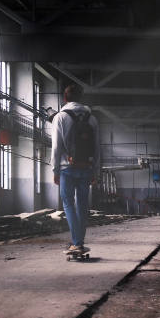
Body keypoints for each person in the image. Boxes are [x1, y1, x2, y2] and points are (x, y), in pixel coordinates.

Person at [51, 84, 100, 254]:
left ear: (65, 98)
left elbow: (56, 147)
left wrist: (55, 170)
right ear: (80, 98)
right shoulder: (92, 119)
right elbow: (96, 147)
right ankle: (79, 241)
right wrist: (95, 171)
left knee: (68, 203)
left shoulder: (60, 117)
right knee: (82, 205)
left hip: (67, 168)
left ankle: (77, 242)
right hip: (86, 167)